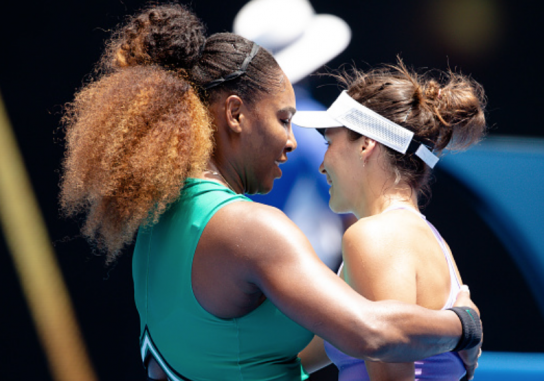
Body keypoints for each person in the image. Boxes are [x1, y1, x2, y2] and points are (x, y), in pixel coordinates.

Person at [58, 4, 481, 381]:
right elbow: (374, 333)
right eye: (284, 119)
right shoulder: (253, 229)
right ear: (236, 114)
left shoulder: (156, 219)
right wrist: (465, 326)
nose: (296, 142)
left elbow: (244, 355)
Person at [293, 61, 487, 380]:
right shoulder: (431, 240)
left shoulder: (374, 237)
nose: (322, 164)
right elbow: (294, 362)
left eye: (330, 143)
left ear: (366, 145)